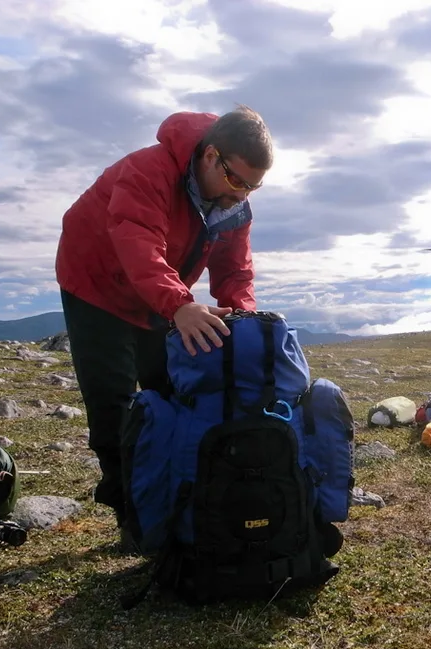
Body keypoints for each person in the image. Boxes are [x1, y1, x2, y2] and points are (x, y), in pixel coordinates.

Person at [54, 105, 273, 529]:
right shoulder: (146, 171)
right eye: (237, 181)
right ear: (211, 156)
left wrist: (246, 323)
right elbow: (138, 245)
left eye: (253, 187)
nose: (242, 195)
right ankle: (132, 515)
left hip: (159, 290)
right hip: (97, 283)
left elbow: (235, 271)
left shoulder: (232, 203)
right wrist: (178, 305)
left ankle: (179, 497)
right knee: (113, 402)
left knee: (173, 389)